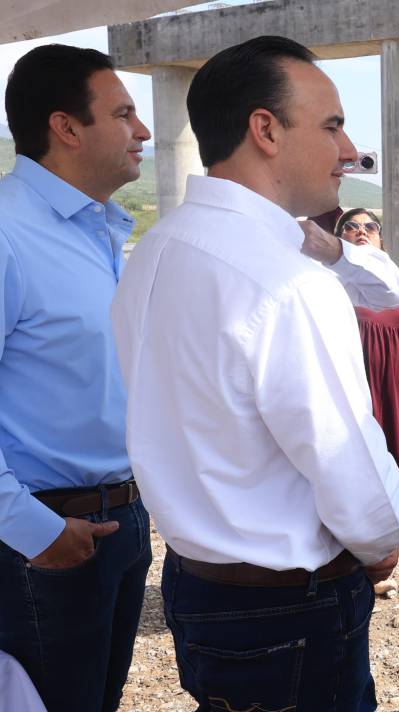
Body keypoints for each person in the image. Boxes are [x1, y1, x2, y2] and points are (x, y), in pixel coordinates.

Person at [110, 35, 399, 710]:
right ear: (265, 129)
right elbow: (350, 471)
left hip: (201, 583)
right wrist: (384, 538)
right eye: (331, 125)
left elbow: (389, 293)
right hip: (288, 607)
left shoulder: (156, 251)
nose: (348, 149)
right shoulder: (284, 283)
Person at [0, 44, 153, 712]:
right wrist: (31, 529)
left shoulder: (101, 233)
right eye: (123, 114)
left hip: (119, 525)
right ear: (66, 128)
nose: (143, 132)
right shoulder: (7, 234)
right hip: (42, 544)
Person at [335, 207, 399, 479]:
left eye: (370, 227)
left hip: (395, 399)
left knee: (389, 483)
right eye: (351, 226)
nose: (361, 230)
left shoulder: (395, 285)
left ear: (380, 240)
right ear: (338, 238)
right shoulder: (333, 282)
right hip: (355, 400)